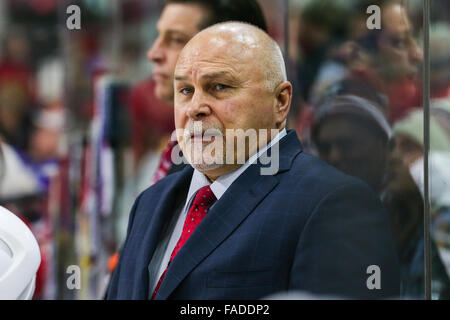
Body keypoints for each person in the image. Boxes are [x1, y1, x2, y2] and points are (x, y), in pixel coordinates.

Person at [107, 22, 400, 300]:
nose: (195, 107)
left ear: (281, 102)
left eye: (220, 86)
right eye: (186, 90)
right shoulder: (149, 202)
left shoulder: (336, 204)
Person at [145, 0, 268, 183]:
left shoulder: (243, 160)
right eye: (159, 35)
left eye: (176, 39)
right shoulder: (186, 147)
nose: (153, 53)